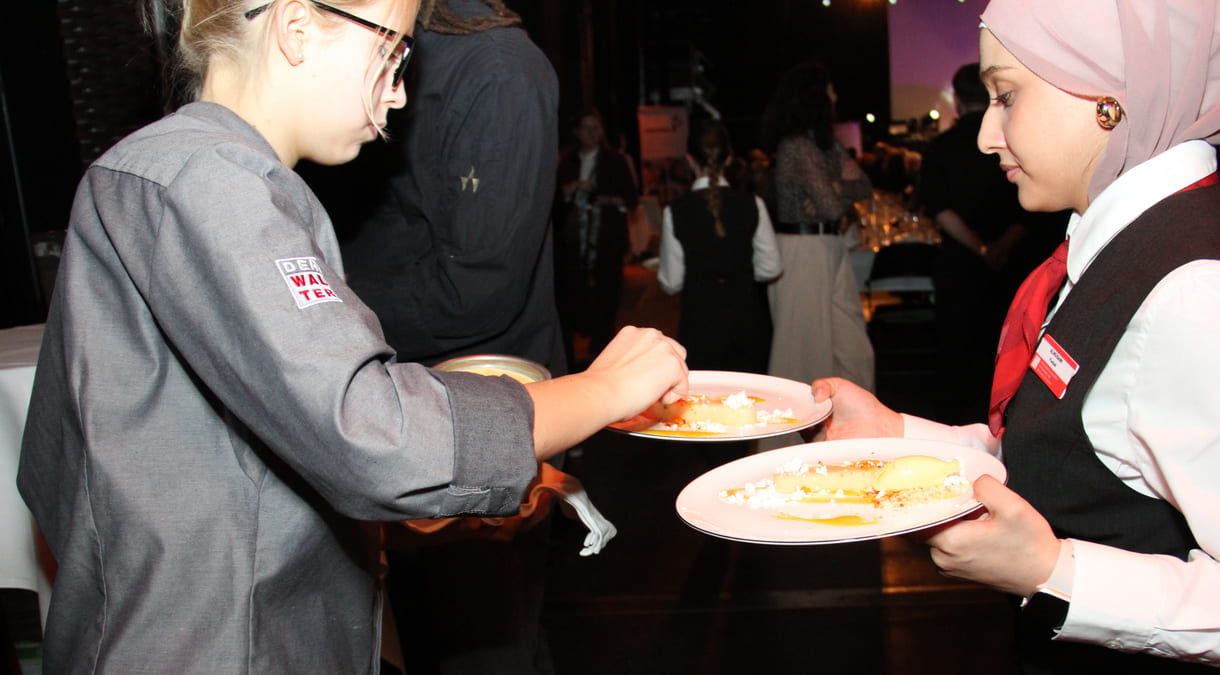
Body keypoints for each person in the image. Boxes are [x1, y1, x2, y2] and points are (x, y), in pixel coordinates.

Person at [15, 1, 689, 672]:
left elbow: (65, 467)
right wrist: (601, 388)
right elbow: (371, 431)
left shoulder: (159, 174)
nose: (400, 91)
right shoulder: (215, 186)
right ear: (298, 29)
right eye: (391, 51)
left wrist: (398, 516)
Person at [813, 0, 1220, 670]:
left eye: (1006, 96)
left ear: (1108, 96)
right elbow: (1075, 455)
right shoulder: (1124, 247)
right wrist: (899, 434)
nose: (984, 135)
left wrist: (1053, 569)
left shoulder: (1187, 291)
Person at [298, 1, 575, 671]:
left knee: (483, 646)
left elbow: (477, 289)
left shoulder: (497, 69)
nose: (392, 98)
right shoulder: (367, 49)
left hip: (476, 423)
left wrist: (313, 311)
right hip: (387, 412)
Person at [916, 62, 1056, 425]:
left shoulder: (942, 147)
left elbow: (939, 208)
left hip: (961, 267)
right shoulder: (1013, 139)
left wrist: (979, 248)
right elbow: (1032, 209)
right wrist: (1002, 246)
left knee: (957, 352)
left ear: (958, 100)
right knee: (1009, 350)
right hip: (1014, 263)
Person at [758, 62, 875, 397]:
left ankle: (849, 429)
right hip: (802, 248)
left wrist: (832, 186)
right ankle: (785, 441)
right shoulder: (795, 145)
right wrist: (837, 186)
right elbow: (831, 204)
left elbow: (863, 186)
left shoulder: (825, 144)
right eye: (829, 87)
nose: (835, 94)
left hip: (829, 245)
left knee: (854, 352)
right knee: (800, 357)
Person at [657, 118, 781, 374]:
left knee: (706, 403)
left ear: (690, 160)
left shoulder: (676, 211)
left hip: (700, 321)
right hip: (748, 319)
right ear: (728, 158)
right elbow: (771, 268)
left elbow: (671, 281)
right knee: (751, 398)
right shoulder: (752, 204)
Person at [553, 109, 639, 368]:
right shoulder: (565, 161)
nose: (591, 133)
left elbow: (631, 200)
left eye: (596, 128)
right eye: (586, 127)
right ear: (577, 132)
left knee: (607, 297)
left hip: (606, 239)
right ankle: (573, 357)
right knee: (572, 297)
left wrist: (604, 198)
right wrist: (569, 190)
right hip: (572, 242)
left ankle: (602, 357)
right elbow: (552, 202)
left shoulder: (614, 160)